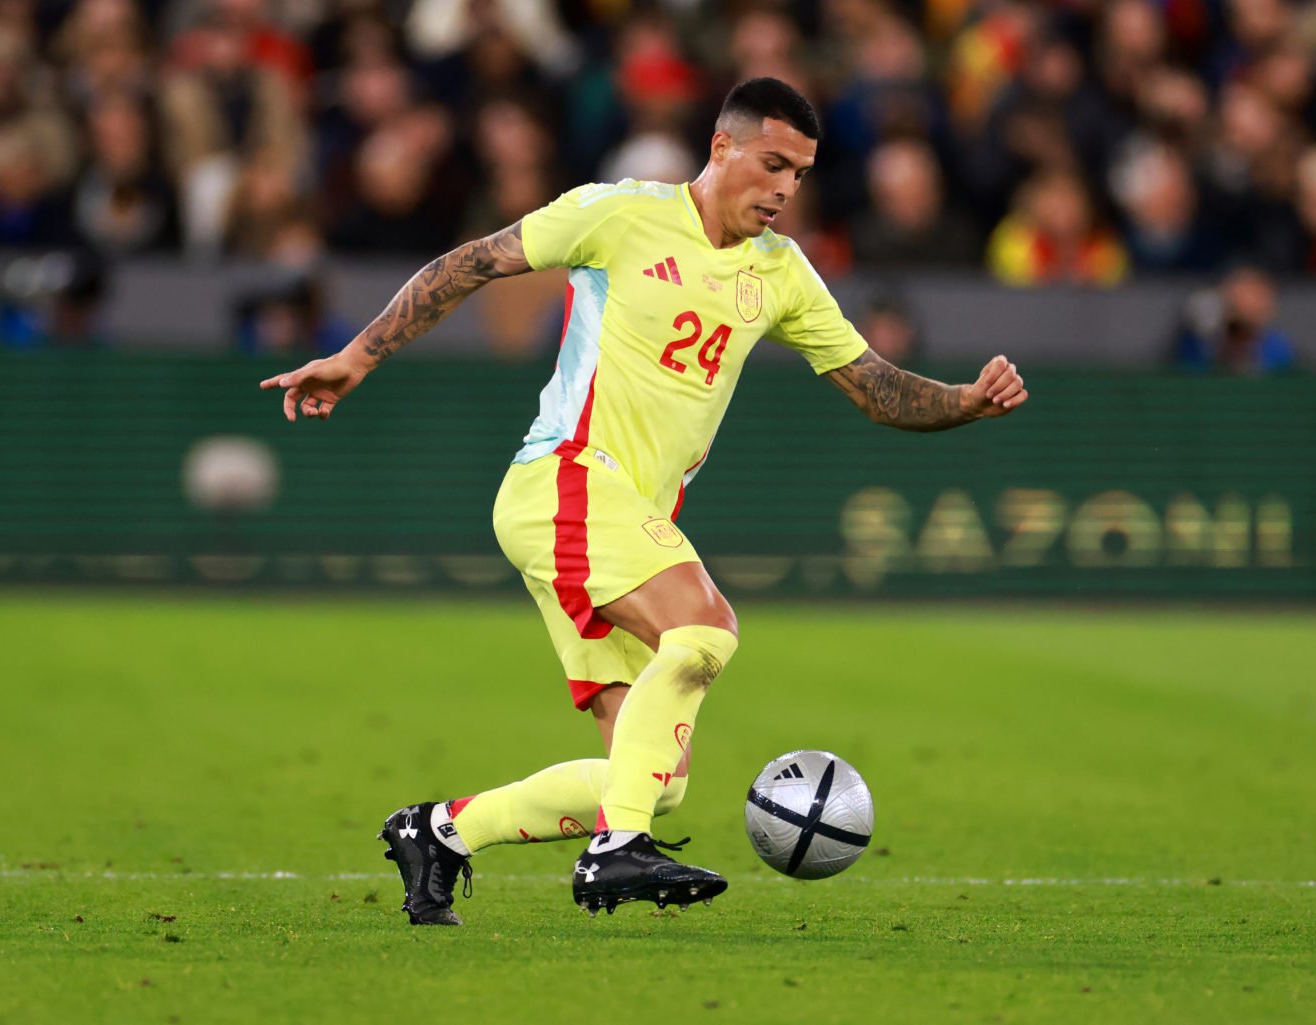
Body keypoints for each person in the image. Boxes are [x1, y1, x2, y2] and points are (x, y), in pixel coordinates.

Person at [259, 78, 1028, 925]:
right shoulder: (620, 214)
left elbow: (874, 386)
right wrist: (359, 356)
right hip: (568, 476)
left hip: (614, 516)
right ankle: (613, 852)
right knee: (705, 629)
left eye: (800, 175)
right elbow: (473, 260)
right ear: (722, 147)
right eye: (772, 164)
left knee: (656, 778)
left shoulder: (781, 273)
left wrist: (964, 401)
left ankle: (441, 832)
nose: (782, 190)